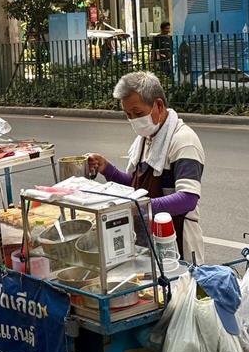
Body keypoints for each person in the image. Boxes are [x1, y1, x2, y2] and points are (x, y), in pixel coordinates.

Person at [87, 71, 206, 263]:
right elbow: (137, 187)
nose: (134, 120)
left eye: (138, 113)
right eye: (128, 115)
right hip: (146, 238)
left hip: (178, 242)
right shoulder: (145, 139)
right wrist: (107, 169)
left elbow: (188, 198)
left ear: (158, 105)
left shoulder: (184, 141)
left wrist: (142, 207)